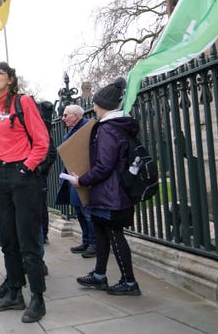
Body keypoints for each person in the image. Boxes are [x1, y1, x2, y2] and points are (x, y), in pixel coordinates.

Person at [0, 62, 49, 323]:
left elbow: (43, 141)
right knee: (7, 239)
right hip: (0, 177)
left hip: (22, 176)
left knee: (28, 242)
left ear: (11, 79)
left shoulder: (23, 103)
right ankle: (14, 292)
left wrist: (26, 169)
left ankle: (37, 298)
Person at [69, 77, 142, 296]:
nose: (93, 106)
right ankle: (100, 275)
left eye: (95, 103)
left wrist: (80, 181)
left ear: (103, 105)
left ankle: (129, 282)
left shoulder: (108, 129)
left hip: (112, 194)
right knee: (102, 232)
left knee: (114, 234)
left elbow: (104, 165)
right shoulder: (116, 126)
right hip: (110, 192)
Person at [56, 104, 96, 258]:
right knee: (79, 211)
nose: (63, 118)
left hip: (84, 177)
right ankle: (86, 241)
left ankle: (94, 244)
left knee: (88, 212)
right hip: (72, 176)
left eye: (66, 115)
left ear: (76, 115)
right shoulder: (73, 130)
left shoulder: (87, 128)